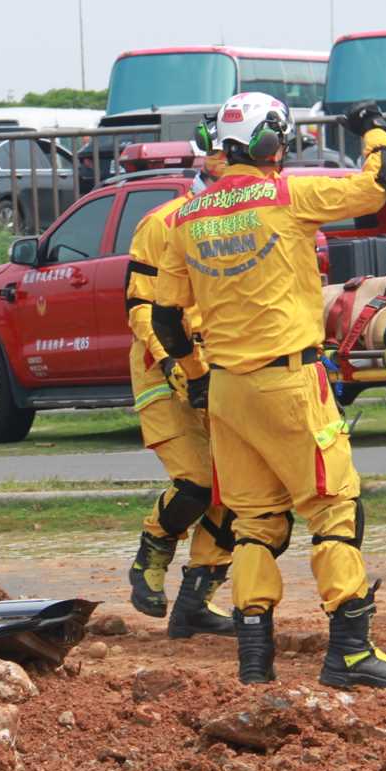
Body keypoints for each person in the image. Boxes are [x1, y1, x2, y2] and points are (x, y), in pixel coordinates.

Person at [152, 92, 386, 688]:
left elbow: (167, 321)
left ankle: (255, 661)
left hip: (227, 390)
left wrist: (197, 383)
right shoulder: (288, 193)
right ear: (271, 142)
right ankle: (350, 651)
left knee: (254, 522)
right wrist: (372, 130)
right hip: (289, 382)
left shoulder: (187, 217)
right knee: (334, 507)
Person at [123, 188, 235, 639]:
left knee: (237, 486)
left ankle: (197, 601)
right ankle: (153, 550)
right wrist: (171, 358)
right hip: (164, 367)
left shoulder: (256, 214)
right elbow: (141, 307)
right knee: (198, 482)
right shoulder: (162, 223)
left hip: (226, 363)